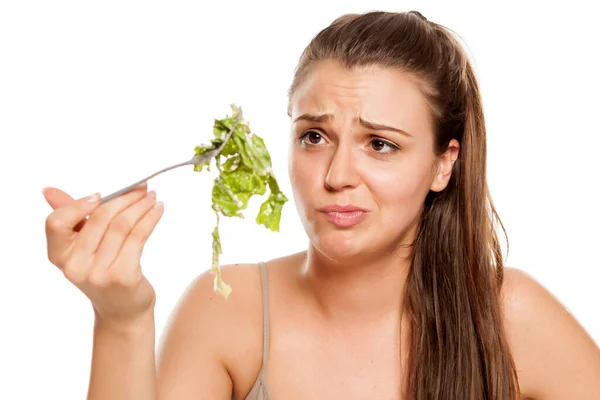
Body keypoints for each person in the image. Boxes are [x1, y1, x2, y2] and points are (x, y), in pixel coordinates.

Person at [42, 10, 600, 400]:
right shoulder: (226, 311)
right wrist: (121, 319)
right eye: (314, 136)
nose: (336, 176)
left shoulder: (511, 318)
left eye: (380, 145)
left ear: (442, 164)